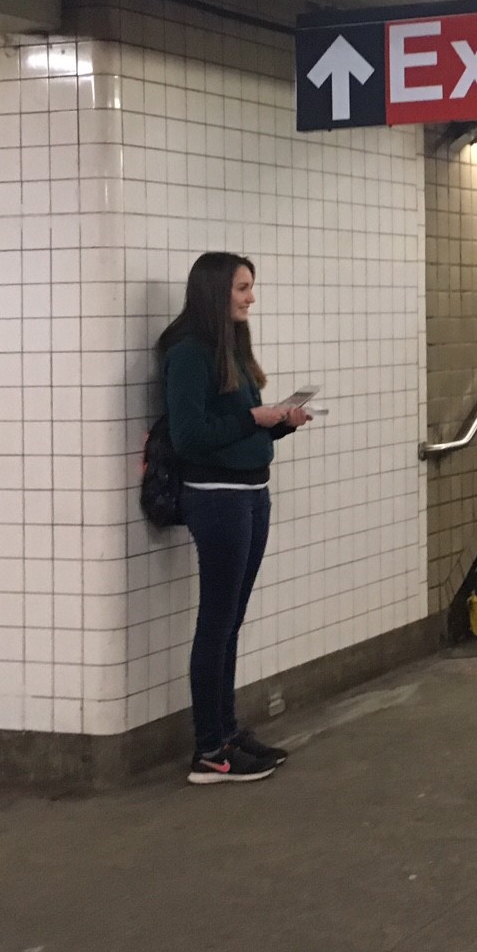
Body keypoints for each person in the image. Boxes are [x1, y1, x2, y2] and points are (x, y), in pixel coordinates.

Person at [158, 251, 312, 785]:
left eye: (251, 287)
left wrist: (280, 422)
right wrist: (254, 417)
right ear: (215, 290)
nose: (251, 297)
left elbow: (238, 427)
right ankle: (209, 750)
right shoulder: (188, 353)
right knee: (217, 623)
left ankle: (227, 731)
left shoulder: (231, 349)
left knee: (232, 622)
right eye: (242, 288)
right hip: (217, 497)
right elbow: (190, 437)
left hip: (250, 492)